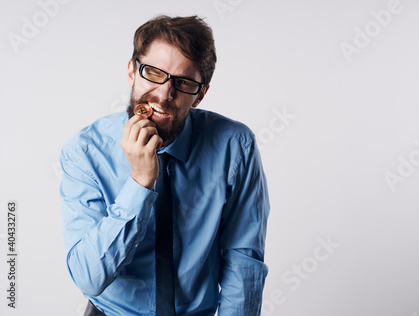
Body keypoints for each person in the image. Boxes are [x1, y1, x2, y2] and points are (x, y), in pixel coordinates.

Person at [60, 15, 270, 316]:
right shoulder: (85, 153)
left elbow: (243, 260)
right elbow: (89, 278)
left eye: (183, 82)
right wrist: (139, 183)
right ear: (132, 71)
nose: (164, 94)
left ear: (200, 94)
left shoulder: (235, 146)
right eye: (154, 73)